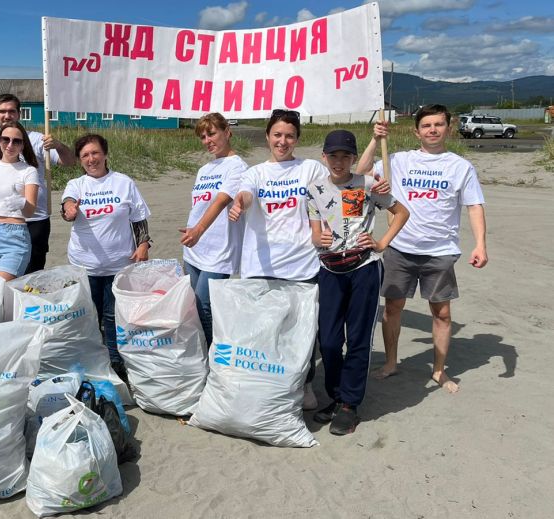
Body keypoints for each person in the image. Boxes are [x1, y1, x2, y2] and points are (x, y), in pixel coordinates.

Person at [180, 109, 328, 410]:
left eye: (289, 136)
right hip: (260, 266)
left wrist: (368, 175)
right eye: (277, 135)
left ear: (297, 138)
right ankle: (269, 385)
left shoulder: (310, 168)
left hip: (301, 264)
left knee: (302, 331)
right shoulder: (255, 172)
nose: (282, 141)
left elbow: (336, 187)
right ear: (268, 136)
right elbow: (246, 194)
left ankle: (305, 383)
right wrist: (241, 203)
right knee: (264, 330)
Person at [358, 104, 488, 393]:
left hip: (439, 252)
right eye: (426, 125)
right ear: (417, 131)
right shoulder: (398, 160)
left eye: (438, 124)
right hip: (399, 248)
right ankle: (391, 363)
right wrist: (375, 140)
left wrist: (480, 244)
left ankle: (439, 370)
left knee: (442, 313)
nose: (432, 130)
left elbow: (474, 206)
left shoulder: (460, 167)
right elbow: (361, 172)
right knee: (393, 308)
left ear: (448, 129)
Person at [307, 129, 409, 435]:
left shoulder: (367, 184)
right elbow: (315, 233)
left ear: (353, 158)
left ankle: (349, 404)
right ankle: (336, 396)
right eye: (333, 155)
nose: (339, 162)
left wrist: (382, 243)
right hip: (329, 270)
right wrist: (319, 239)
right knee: (328, 340)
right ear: (324, 157)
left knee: (358, 339)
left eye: (345, 156)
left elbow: (401, 212)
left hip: (364, 268)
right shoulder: (313, 189)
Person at [61, 133, 152, 376]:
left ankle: (114, 361)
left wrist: (143, 244)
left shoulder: (123, 182)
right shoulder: (76, 185)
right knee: (90, 316)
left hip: (118, 264)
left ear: (105, 154)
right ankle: (91, 360)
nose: (91, 159)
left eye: (95, 153)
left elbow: (138, 217)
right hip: (85, 266)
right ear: (80, 160)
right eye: (85, 155)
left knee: (113, 317)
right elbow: (67, 205)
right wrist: (69, 209)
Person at [0, 94, 76, 273]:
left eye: (12, 111)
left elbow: (69, 162)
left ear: (19, 114)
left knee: (31, 278)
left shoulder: (38, 140)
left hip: (35, 220)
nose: (7, 115)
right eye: (2, 111)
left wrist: (58, 146)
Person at [182, 113, 248, 346]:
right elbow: (198, 206)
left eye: (211, 134)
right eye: (203, 137)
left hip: (220, 250)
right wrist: (193, 232)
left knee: (204, 305)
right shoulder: (204, 170)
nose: (207, 140)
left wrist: (198, 230)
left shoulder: (238, 166)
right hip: (194, 248)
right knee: (193, 305)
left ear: (227, 132)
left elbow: (221, 201)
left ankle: (215, 354)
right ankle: (203, 352)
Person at [0, 121, 39, 280]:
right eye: (5, 139)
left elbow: (29, 212)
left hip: (15, 237)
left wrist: (22, 202)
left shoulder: (29, 171)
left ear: (23, 145)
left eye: (16, 141)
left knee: (0, 286)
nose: (10, 145)